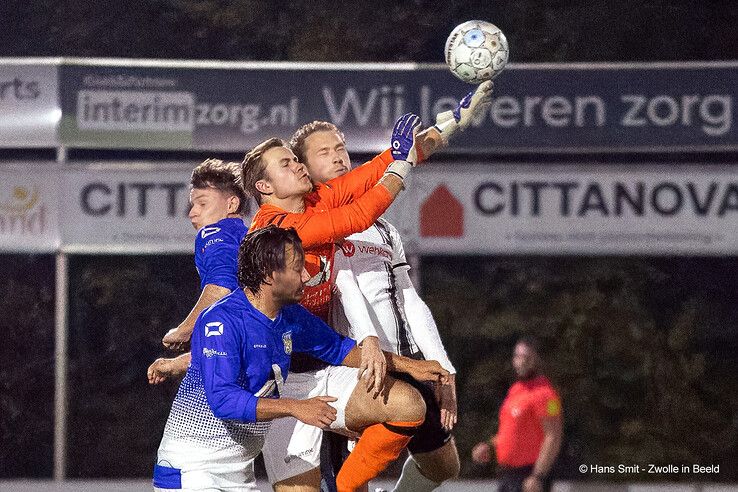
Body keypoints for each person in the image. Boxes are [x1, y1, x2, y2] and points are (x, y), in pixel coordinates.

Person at [247, 83, 494, 492]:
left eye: (295, 160)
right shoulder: (278, 227)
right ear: (264, 187)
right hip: (280, 381)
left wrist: (453, 122)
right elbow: (360, 214)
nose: (301, 168)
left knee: (409, 409)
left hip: (331, 366)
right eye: (290, 163)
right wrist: (398, 165)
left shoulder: (318, 200)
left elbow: (381, 165)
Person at [152, 225, 449, 491]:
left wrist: (414, 366)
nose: (307, 275)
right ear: (270, 274)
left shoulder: (290, 316)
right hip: (191, 473)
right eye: (297, 268)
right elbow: (223, 400)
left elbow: (339, 349)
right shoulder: (221, 320)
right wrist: (296, 408)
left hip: (237, 476)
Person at [289, 117, 468, 492]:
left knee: (443, 466)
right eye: (325, 152)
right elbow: (345, 288)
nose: (339, 157)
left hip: (404, 359)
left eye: (341, 148)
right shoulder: (317, 227)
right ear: (303, 169)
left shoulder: (383, 228)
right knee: (351, 480)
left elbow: (408, 296)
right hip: (354, 367)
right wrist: (368, 342)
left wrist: (442, 366)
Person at [147, 158, 249, 383]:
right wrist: (176, 364)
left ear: (232, 204)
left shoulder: (214, 233)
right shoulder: (248, 236)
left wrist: (185, 329)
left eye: (202, 204)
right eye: (193, 205)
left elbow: (222, 287)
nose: (193, 213)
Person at [471, 337, 563, 492]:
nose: (521, 362)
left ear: (537, 360)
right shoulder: (516, 390)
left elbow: (553, 436)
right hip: (508, 475)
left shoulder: (547, 395)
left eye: (526, 357)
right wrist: (489, 446)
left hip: (529, 476)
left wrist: (537, 476)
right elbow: (510, 431)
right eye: (517, 357)